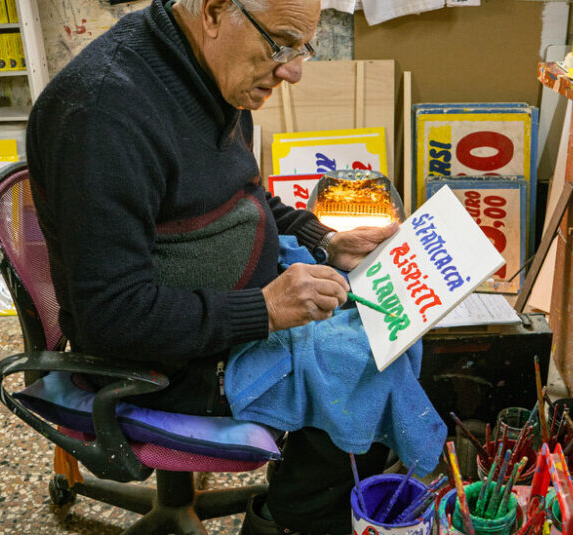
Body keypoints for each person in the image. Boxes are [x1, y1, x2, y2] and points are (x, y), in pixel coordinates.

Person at [26, 0, 418, 533]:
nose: (293, 71)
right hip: (160, 363)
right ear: (213, 12)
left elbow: (245, 195)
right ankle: (291, 521)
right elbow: (112, 318)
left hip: (227, 309)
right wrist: (266, 309)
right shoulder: (103, 114)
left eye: (303, 48)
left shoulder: (213, 72)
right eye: (280, 45)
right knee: (361, 372)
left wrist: (323, 240)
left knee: (403, 327)